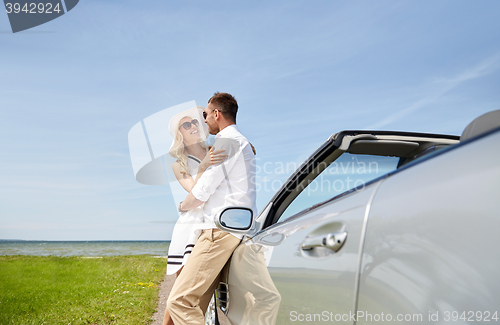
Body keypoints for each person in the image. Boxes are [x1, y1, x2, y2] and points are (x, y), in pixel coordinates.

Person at [166, 92, 257, 325]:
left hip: (217, 231)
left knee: (179, 301)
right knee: (196, 301)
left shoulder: (226, 143)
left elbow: (201, 191)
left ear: (217, 114)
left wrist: (183, 205)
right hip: (222, 228)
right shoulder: (235, 141)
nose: (203, 120)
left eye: (204, 115)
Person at [162, 106, 227, 325]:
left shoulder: (215, 148)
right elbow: (195, 192)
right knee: (180, 295)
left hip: (215, 222)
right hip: (190, 227)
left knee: (198, 296)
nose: (192, 126)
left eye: (195, 122)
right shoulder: (178, 165)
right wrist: (204, 166)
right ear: (179, 133)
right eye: (186, 124)